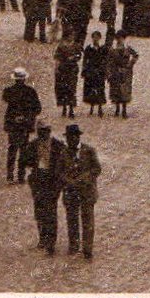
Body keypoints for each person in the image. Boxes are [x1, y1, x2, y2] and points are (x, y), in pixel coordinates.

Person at [20, 122, 64, 255]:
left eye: (45, 131)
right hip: (38, 180)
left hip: (52, 181)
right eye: (40, 131)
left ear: (49, 131)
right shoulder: (33, 145)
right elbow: (23, 160)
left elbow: (64, 162)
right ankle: (42, 237)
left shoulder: (58, 145)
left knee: (51, 210)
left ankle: (51, 241)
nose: (42, 134)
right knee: (39, 210)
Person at [59, 123, 102, 258]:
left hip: (87, 191)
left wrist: (85, 178)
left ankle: (87, 248)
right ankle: (74, 246)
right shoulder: (63, 153)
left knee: (88, 220)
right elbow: (59, 172)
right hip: (71, 192)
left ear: (78, 138)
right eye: (69, 138)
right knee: (72, 219)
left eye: (74, 137)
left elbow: (97, 168)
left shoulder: (89, 151)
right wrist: (69, 181)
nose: (71, 140)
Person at [2, 68, 42, 183]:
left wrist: (16, 117)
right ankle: (21, 176)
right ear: (24, 79)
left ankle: (10, 176)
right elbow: (37, 108)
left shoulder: (8, 91)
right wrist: (26, 117)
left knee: (12, 149)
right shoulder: (31, 91)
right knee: (23, 149)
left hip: (13, 124)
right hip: (25, 125)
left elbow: (6, 100)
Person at [106, 33, 140, 117]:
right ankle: (117, 109)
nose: (119, 40)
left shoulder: (127, 48)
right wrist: (109, 72)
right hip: (116, 71)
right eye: (117, 38)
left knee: (125, 90)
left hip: (126, 71)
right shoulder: (112, 49)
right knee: (116, 89)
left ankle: (124, 110)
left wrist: (131, 64)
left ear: (123, 38)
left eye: (121, 38)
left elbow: (136, 55)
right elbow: (109, 61)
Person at [81, 30, 109, 116]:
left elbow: (106, 60)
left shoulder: (103, 48)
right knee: (91, 89)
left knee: (100, 88)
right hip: (91, 71)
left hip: (100, 71)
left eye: (97, 37)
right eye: (94, 37)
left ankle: (100, 107)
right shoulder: (88, 48)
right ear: (92, 38)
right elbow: (85, 60)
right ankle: (92, 108)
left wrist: (105, 71)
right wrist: (84, 70)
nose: (95, 39)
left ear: (100, 38)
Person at [53, 36, 82, 118]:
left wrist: (74, 57)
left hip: (72, 70)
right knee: (63, 89)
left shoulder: (76, 46)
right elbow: (57, 58)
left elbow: (79, 55)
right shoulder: (61, 46)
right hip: (63, 69)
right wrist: (57, 67)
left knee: (71, 89)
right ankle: (65, 108)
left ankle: (71, 109)